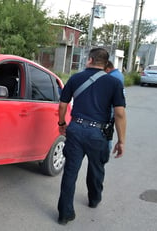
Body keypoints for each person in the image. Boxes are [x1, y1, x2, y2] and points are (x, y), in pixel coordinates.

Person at [56, 48, 127, 225]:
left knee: (70, 172)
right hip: (98, 133)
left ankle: (65, 214)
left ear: (89, 60)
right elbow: (119, 113)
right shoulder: (114, 83)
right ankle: (94, 199)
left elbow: (62, 105)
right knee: (96, 168)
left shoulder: (75, 78)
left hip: (76, 129)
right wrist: (121, 140)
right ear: (105, 63)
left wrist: (61, 123)